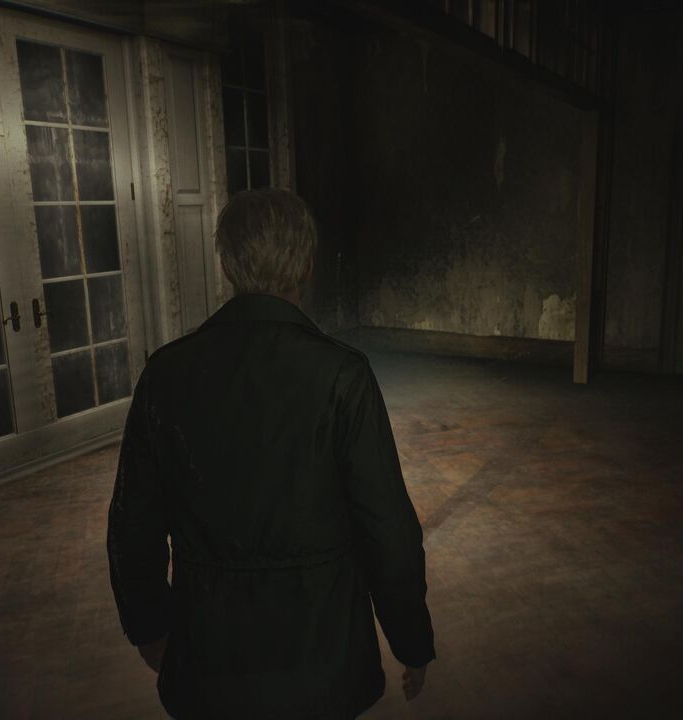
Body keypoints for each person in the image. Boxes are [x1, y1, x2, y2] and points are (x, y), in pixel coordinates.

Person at [107, 188, 436, 719]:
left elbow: (133, 524)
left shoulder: (165, 374)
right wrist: (411, 640)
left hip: (209, 658)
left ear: (226, 265)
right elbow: (387, 528)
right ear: (307, 266)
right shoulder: (343, 375)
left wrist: (148, 627)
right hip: (323, 659)